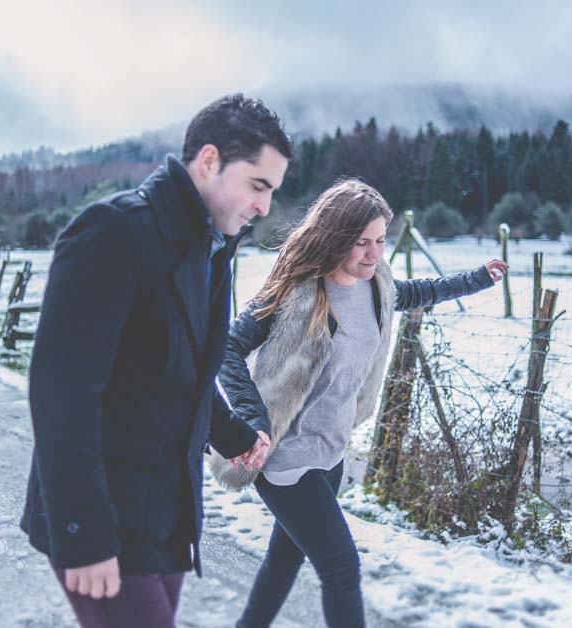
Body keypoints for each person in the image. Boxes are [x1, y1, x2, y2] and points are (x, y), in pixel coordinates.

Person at [19, 93, 292, 628]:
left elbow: (183, 369)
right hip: (106, 519)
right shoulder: (114, 232)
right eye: (258, 185)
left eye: (272, 192)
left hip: (166, 516)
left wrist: (234, 436)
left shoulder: (211, 246)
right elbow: (62, 397)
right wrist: (85, 535)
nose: (264, 207)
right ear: (209, 161)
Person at [212, 179, 508, 628]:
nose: (373, 254)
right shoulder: (297, 293)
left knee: (283, 562)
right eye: (360, 243)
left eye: (380, 241)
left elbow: (418, 292)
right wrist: (253, 419)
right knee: (341, 568)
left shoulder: (377, 287)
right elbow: (228, 349)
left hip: (329, 453)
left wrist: (477, 279)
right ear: (334, 239)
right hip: (285, 457)